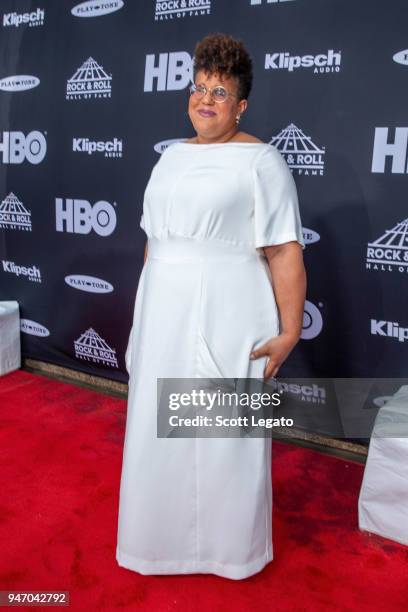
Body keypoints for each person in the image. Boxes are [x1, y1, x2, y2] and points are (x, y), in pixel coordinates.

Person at [116, 32, 307, 580]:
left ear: (240, 104)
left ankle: (229, 551)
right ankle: (157, 543)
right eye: (199, 87)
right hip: (164, 310)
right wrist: (142, 318)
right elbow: (155, 241)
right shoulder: (170, 158)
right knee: (158, 428)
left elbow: (284, 249)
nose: (206, 99)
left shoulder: (261, 161)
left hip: (231, 310)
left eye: (220, 92)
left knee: (226, 437)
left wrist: (290, 329)